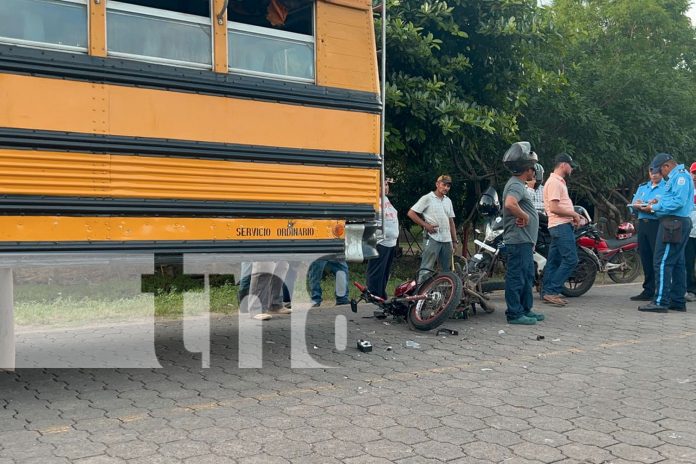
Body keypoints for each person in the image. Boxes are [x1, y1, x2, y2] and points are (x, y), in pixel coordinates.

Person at [635, 153, 694, 312]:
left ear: (667, 166)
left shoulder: (680, 178)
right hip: (674, 222)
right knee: (677, 262)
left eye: (660, 171)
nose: (659, 175)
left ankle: (661, 301)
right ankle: (677, 300)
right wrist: (657, 202)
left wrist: (654, 207)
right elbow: (672, 199)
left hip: (674, 222)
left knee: (662, 261)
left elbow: (678, 202)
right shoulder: (675, 178)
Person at [501, 142, 545, 325]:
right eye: (532, 168)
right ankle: (514, 313)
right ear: (527, 169)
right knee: (517, 277)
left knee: (527, 276)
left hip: (525, 241)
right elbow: (510, 204)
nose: (534, 171)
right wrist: (525, 216)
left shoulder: (518, 184)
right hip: (518, 241)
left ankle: (525, 309)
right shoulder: (516, 185)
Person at [541, 153, 583, 306]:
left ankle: (546, 292)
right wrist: (573, 214)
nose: (572, 169)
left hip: (558, 226)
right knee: (571, 260)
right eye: (571, 166)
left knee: (554, 261)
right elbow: (554, 207)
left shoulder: (557, 182)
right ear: (563, 165)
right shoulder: (555, 182)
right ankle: (552, 291)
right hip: (560, 226)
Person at [407, 175, 457, 282]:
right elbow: (411, 213)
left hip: (446, 239)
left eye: (448, 186)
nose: (446, 188)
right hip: (432, 237)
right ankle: (420, 295)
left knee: (446, 270)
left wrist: (454, 240)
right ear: (437, 184)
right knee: (426, 268)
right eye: (444, 185)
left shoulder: (448, 201)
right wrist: (426, 225)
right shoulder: (427, 198)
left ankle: (444, 296)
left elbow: (451, 221)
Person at [629, 168, 666, 301]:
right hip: (642, 224)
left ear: (662, 173)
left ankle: (660, 290)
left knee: (657, 257)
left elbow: (665, 206)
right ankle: (648, 289)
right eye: (651, 172)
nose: (654, 175)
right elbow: (632, 204)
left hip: (656, 223)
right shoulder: (643, 187)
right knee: (645, 256)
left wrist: (652, 207)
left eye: (656, 172)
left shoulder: (666, 187)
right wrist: (637, 205)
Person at [367, 177, 399, 299]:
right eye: (383, 185)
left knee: (384, 272)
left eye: (387, 185)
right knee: (376, 272)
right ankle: (373, 295)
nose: (386, 187)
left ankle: (381, 295)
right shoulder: (373, 201)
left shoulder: (385, 199)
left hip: (391, 242)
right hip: (380, 242)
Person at [684, 163, 696, 301]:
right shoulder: (686, 190)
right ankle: (691, 290)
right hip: (689, 233)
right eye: (694, 173)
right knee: (688, 263)